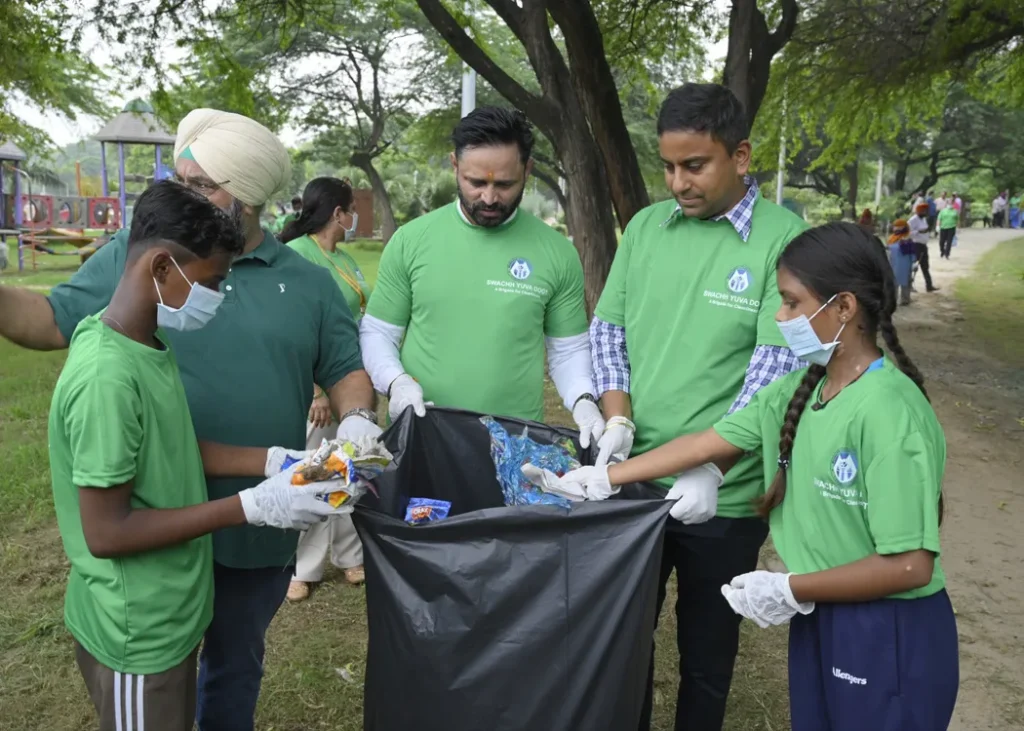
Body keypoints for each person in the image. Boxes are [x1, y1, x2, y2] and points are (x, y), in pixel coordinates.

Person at [0, 109, 377, 731]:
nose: (185, 196)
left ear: (250, 194)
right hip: (153, 524)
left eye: (203, 185)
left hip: (254, 529)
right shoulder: (148, 256)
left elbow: (344, 368)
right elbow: (48, 320)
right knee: (159, 675)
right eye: (181, 181)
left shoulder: (308, 284)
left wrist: (355, 420)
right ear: (159, 270)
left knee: (232, 665)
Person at [539, 222, 958, 731]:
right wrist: (601, 478)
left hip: (888, 627)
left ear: (844, 308)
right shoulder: (802, 392)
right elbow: (704, 444)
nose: (780, 318)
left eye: (790, 303)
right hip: (824, 614)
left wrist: (790, 588)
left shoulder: (891, 413)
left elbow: (910, 566)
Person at [51, 181, 347, 731]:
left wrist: (269, 462)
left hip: (170, 610)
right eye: (212, 282)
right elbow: (107, 532)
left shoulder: (145, 346)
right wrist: (253, 506)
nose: (218, 296)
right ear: (162, 269)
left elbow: (167, 447)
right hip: (136, 629)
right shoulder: (106, 378)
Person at [588, 83, 808, 731]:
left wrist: (711, 463)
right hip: (638, 483)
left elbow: (775, 373)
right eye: (668, 166)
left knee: (708, 655)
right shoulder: (647, 229)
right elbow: (609, 332)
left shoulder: (786, 242)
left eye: (695, 165)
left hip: (728, 496)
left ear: (740, 157)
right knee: (622, 641)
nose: (678, 182)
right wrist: (618, 418)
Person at [358, 106, 605, 445]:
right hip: (421, 435)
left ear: (528, 170)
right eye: (475, 183)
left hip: (516, 443)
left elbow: (568, 351)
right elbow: (378, 332)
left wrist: (583, 400)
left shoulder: (557, 253)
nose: (489, 198)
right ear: (455, 165)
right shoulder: (411, 241)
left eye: (505, 184)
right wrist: (395, 382)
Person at [281, 177, 369, 601]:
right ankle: (306, 567)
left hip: (350, 381)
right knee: (315, 468)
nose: (354, 217)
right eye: (351, 208)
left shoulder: (347, 260)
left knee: (348, 466)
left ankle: (351, 556)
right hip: (317, 387)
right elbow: (294, 329)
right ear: (338, 213)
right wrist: (316, 390)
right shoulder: (296, 256)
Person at [908, 202, 937, 292]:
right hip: (916, 245)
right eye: (923, 211)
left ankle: (929, 285)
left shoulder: (923, 219)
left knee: (925, 266)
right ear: (919, 211)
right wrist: (919, 232)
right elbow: (907, 232)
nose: (925, 212)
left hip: (923, 245)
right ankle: (909, 285)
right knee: (913, 266)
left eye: (926, 211)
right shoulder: (913, 220)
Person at [887, 219, 915, 305]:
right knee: (893, 283)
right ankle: (893, 300)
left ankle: (905, 299)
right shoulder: (891, 238)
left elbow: (912, 252)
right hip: (893, 264)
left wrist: (914, 263)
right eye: (895, 226)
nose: (896, 228)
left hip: (905, 264)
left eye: (899, 226)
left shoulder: (908, 238)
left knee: (906, 282)